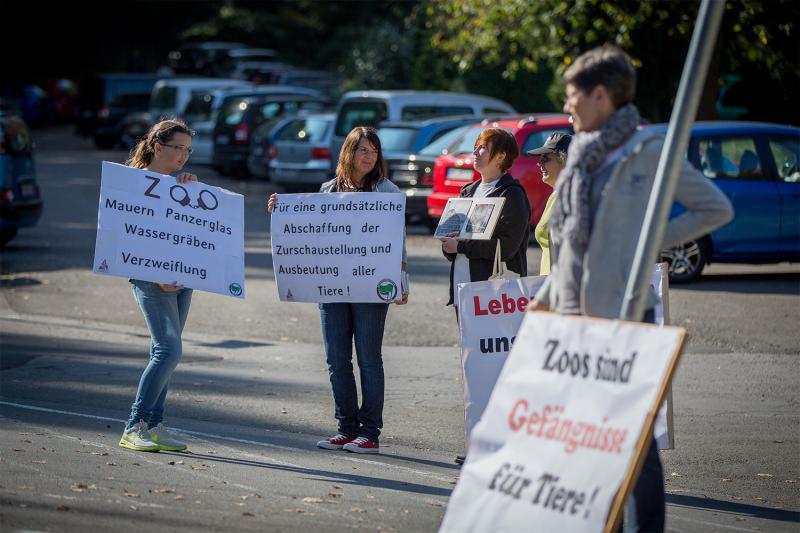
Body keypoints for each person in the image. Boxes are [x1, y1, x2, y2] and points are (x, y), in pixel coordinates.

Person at [528, 45, 733, 532]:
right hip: (575, 322)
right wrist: (543, 303)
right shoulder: (577, 152)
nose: (568, 106)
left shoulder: (649, 151)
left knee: (633, 448)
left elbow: (715, 209)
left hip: (625, 319)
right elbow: (571, 241)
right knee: (586, 445)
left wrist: (643, 244)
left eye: (573, 96)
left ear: (601, 95)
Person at [267, 126, 408, 454]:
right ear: (348, 153)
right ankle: (346, 428)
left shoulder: (387, 191)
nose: (369, 156)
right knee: (336, 359)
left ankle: (370, 433)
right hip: (332, 286)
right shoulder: (327, 190)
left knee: (369, 358)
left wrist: (402, 283)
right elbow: (311, 235)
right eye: (362, 150)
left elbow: (396, 244)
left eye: (373, 151)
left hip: (371, 286)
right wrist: (280, 211)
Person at [440, 128, 531, 465]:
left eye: (483, 148)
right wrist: (451, 246)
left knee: (496, 370)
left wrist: (460, 245)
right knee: (473, 371)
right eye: (476, 147)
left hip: (495, 296)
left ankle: (502, 447)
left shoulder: (513, 195)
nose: (476, 152)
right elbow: (454, 245)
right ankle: (479, 444)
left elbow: (506, 247)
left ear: (501, 158)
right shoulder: (468, 190)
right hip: (465, 295)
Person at [118, 119, 199, 453]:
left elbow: (195, 232)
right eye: (177, 148)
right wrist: (156, 274)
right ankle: (134, 426)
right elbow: (126, 237)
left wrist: (191, 192)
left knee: (165, 352)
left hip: (183, 279)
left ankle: (154, 425)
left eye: (188, 150)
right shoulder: (132, 184)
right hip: (150, 280)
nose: (183, 156)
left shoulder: (182, 185)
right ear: (157, 146)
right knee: (169, 350)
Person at [527, 132, 572, 275]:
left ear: (564, 161)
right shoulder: (556, 194)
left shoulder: (569, 197)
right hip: (549, 287)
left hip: (559, 288)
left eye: (546, 159)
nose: (539, 163)